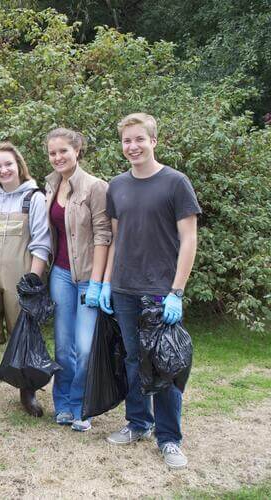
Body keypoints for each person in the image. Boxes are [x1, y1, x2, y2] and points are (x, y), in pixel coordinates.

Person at [100, 113, 200, 469]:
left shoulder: (175, 183)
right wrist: (106, 284)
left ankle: (169, 438)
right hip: (124, 288)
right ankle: (138, 423)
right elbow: (114, 238)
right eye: (127, 141)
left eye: (139, 139)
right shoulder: (116, 186)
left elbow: (189, 239)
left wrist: (177, 290)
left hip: (160, 290)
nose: (133, 146)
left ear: (154, 141)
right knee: (132, 359)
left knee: (165, 363)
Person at [0, 142, 51, 413]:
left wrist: (32, 283)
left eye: (8, 164)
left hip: (21, 279)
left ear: (19, 166)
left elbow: (42, 242)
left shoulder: (35, 198)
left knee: (22, 334)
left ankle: (27, 396)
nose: (3, 170)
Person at [43, 128, 111, 431]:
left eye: (63, 151)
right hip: (59, 275)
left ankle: (83, 405)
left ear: (77, 150)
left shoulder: (96, 187)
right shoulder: (50, 185)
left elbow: (103, 235)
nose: (58, 157)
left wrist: (97, 282)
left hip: (87, 278)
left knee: (85, 347)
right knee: (63, 346)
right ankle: (64, 405)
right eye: (52, 152)